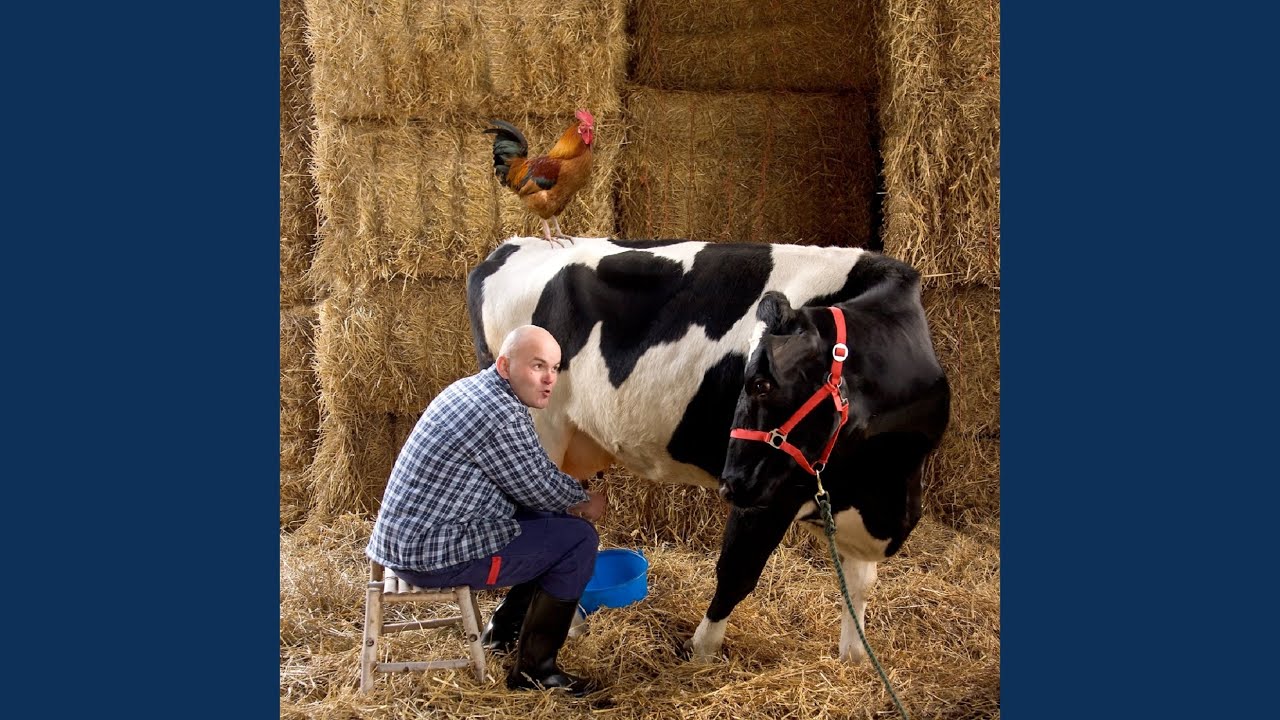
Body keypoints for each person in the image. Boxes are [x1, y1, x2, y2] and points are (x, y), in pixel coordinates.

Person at [366, 324, 607, 696]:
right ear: (504, 365)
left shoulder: (475, 390)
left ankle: (501, 635)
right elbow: (537, 486)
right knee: (578, 540)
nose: (549, 379)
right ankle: (535, 673)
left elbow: (530, 483)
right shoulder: (501, 413)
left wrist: (564, 501)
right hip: (432, 555)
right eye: (537, 366)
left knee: (553, 522)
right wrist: (584, 500)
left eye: (555, 368)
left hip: (411, 540)